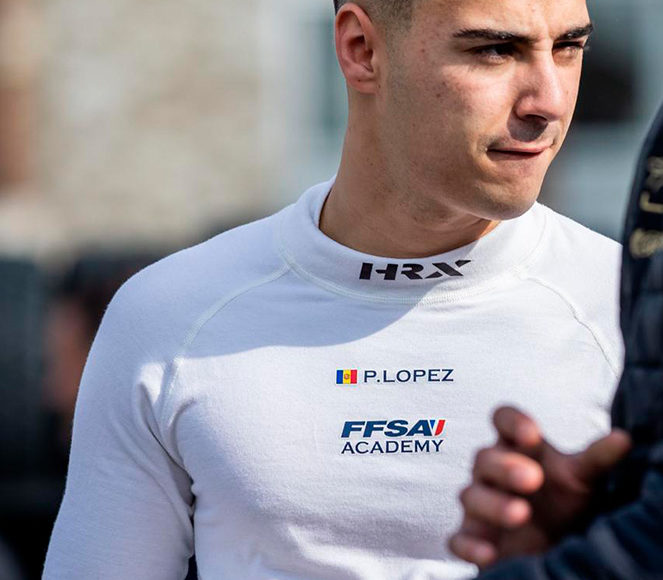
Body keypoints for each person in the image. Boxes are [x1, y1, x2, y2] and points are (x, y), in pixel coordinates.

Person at [43, 1, 624, 578]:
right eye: (495, 50)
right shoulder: (168, 312)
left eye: (569, 47)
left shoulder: (627, 310)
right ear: (361, 50)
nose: (549, 101)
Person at [449, 102, 663, 578]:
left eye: (569, 59)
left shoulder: (598, 281)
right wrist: (593, 529)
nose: (548, 102)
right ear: (360, 61)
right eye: (493, 60)